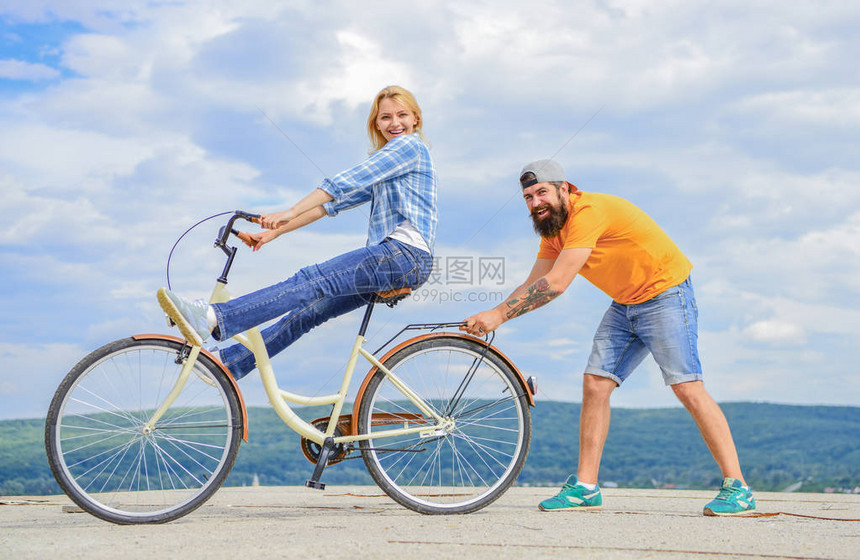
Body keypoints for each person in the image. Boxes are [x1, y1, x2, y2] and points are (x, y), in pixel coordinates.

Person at [461, 159, 755, 516]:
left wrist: (499, 316)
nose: (535, 202)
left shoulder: (588, 213)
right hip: (626, 302)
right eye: (527, 197)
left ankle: (738, 488)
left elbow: (556, 284)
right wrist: (494, 315)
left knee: (687, 386)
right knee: (595, 384)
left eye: (542, 192)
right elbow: (534, 282)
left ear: (564, 189)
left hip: (666, 294)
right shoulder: (553, 231)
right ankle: (586, 488)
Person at [159, 85, 437, 380]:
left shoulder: (409, 148)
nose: (394, 123)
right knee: (308, 313)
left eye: (402, 115)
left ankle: (211, 317)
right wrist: (275, 232)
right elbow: (331, 204)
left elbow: (345, 182)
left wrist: (290, 211)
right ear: (376, 124)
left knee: (310, 280)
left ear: (416, 119)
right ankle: (229, 365)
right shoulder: (392, 164)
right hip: (397, 261)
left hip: (404, 255)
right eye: (385, 118)